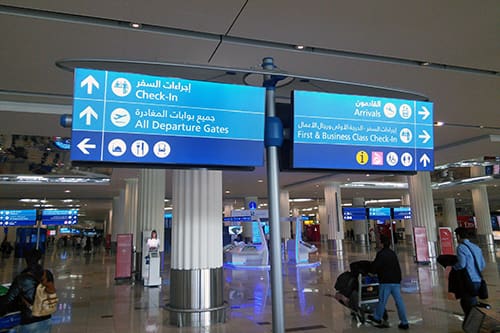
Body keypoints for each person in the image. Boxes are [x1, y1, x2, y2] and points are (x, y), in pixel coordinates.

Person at [0, 248, 53, 332]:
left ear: (26, 260)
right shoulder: (47, 274)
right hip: (47, 318)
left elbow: (8, 299)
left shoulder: (22, 278)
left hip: (30, 321)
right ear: (39, 258)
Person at [368, 234, 409, 330]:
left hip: (386, 281)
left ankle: (377, 318)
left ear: (382, 244)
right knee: (399, 302)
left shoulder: (381, 254)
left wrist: (371, 272)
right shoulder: (392, 253)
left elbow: (375, 266)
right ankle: (404, 322)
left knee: (382, 300)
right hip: (396, 281)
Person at [452, 227, 485, 321]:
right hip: (478, 280)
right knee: (472, 302)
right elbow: (482, 265)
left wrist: (454, 267)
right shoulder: (476, 247)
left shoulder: (461, 247)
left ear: (458, 236)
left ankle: (472, 325)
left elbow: (462, 264)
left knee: (467, 304)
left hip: (468, 281)